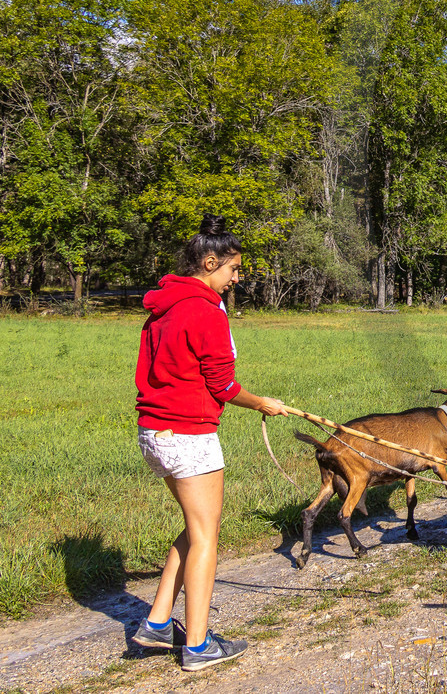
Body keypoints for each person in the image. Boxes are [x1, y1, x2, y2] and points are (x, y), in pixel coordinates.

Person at [131, 215, 285, 671]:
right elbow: (224, 387)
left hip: (153, 433)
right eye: (233, 270)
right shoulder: (206, 312)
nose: (237, 278)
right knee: (206, 537)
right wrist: (264, 404)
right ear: (211, 262)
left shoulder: (163, 307)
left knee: (195, 529)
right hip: (187, 434)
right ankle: (197, 646)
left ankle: (158, 623)